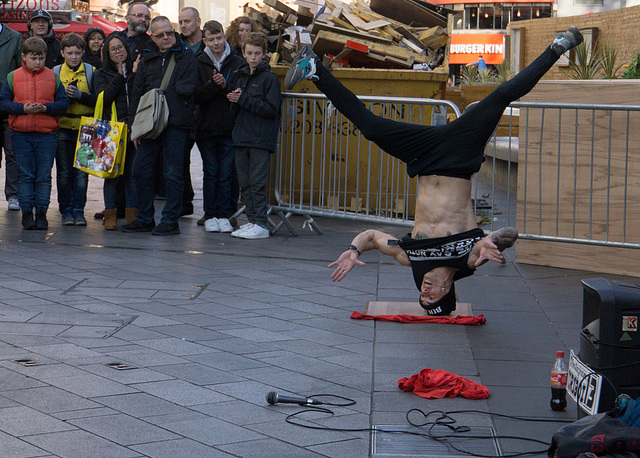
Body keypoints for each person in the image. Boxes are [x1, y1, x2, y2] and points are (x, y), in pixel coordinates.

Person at [285, 27, 584, 315]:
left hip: (424, 157)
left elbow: (373, 237)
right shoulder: (467, 261)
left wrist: (353, 250)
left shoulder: (410, 259)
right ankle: (557, 47)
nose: (424, 293)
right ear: (447, 290)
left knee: (372, 127)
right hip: (459, 156)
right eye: (431, 297)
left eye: (422, 297)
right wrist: (492, 242)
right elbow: (510, 233)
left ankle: (314, 69)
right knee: (502, 95)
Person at [124, 16, 197, 236]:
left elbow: (187, 88)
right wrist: (134, 126)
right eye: (161, 35)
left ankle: (170, 221)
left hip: (176, 123)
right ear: (152, 37)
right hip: (150, 124)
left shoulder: (186, 56)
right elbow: (137, 93)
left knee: (173, 173)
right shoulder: (147, 59)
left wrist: (160, 96)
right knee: (140, 170)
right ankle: (145, 218)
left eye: (169, 33)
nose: (166, 37)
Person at [0, 37, 69, 230]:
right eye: (33, 58)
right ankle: (26, 214)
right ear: (24, 57)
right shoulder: (13, 77)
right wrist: (23, 109)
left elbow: (63, 103)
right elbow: (3, 102)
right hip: (21, 134)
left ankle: (41, 213)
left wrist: (47, 109)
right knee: (25, 175)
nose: (38, 62)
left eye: (41, 58)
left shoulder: (52, 77)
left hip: (47, 134)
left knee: (43, 176)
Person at [227, 32, 281, 240]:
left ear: (264, 54)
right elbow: (237, 105)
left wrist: (242, 100)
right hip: (241, 137)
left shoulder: (270, 79)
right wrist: (233, 99)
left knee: (257, 183)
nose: (253, 57)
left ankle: (260, 223)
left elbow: (271, 108)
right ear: (244, 53)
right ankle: (252, 221)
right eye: (249, 53)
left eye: (257, 53)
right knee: (246, 184)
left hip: (259, 139)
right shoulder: (239, 76)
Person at [195, 20, 244, 233]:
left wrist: (226, 86)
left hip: (229, 126)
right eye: (212, 39)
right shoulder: (198, 61)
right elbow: (195, 94)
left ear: (224, 37)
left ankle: (225, 214)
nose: (216, 43)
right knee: (211, 172)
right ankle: (210, 213)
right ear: (205, 40)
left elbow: (240, 89)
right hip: (205, 127)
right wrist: (212, 85)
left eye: (219, 38)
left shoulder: (237, 61)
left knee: (227, 173)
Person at [93, 34, 138, 231]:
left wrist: (134, 75)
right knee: (111, 175)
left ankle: (132, 215)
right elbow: (104, 97)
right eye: (113, 49)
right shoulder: (101, 74)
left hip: (133, 130)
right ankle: (110, 214)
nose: (118, 51)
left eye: (121, 47)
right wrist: (120, 76)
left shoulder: (137, 71)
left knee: (131, 174)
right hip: (112, 131)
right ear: (107, 54)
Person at [54, 33, 97, 226]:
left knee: (81, 172)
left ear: (83, 53)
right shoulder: (55, 72)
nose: (73, 57)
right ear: (62, 53)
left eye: (77, 53)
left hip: (85, 128)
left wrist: (81, 96)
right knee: (64, 172)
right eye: (70, 53)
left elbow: (99, 99)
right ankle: (66, 210)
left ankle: (79, 210)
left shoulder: (91, 71)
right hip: (62, 127)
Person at [177, 6, 206, 218]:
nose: (184, 25)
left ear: (198, 22)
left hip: (207, 110)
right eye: (181, 22)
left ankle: (211, 210)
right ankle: (184, 203)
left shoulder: (210, 43)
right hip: (185, 110)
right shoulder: (178, 45)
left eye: (187, 21)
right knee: (179, 160)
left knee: (211, 164)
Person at [0, 20, 23, 212]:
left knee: (12, 153)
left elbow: (19, 73)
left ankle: (13, 194)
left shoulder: (14, 37)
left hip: (8, 105)